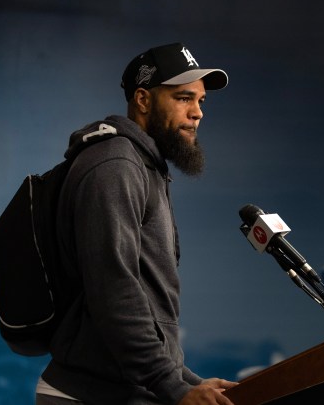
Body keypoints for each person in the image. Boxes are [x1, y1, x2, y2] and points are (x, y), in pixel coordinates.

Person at [35, 42, 238, 405]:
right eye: (183, 98)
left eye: (201, 101)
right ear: (143, 100)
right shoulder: (115, 166)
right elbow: (115, 291)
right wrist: (174, 387)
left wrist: (186, 379)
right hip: (87, 396)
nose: (197, 113)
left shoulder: (144, 165)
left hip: (124, 392)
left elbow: (150, 302)